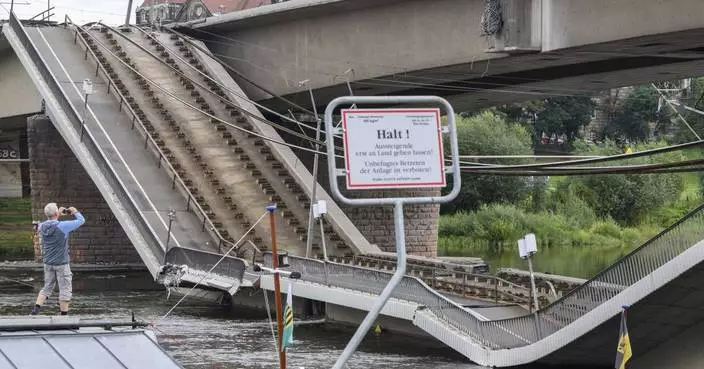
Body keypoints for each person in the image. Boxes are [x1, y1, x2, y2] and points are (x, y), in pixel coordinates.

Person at [31, 203, 85, 316]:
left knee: (47, 287)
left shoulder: (42, 226)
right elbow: (81, 220)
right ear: (56, 213)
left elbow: (52, 223)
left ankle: (35, 310)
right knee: (65, 288)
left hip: (48, 263)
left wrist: (57, 215)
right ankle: (64, 316)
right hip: (61, 263)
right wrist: (75, 211)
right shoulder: (63, 226)